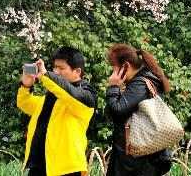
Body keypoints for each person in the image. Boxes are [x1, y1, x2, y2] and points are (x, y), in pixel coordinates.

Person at [16, 46, 97, 176]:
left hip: (66, 169)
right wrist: (26, 85)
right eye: (55, 67)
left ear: (77, 71)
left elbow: (70, 93)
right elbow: (25, 104)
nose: (56, 72)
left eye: (61, 68)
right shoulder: (51, 96)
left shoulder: (86, 95)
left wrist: (45, 76)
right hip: (40, 166)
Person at [104, 44, 173, 176]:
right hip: (139, 160)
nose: (112, 72)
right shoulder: (139, 83)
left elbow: (116, 111)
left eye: (114, 67)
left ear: (126, 66)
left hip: (137, 164)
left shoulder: (140, 85)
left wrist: (113, 87)